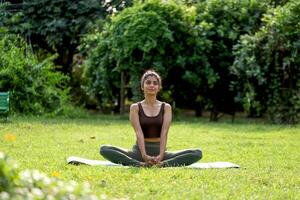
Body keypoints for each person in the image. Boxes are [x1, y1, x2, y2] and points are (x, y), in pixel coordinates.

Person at [100, 70, 202, 167]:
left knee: (197, 153)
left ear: (159, 87)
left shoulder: (166, 107)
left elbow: (164, 133)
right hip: (139, 153)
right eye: (148, 82)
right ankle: (139, 164)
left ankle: (162, 164)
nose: (151, 85)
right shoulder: (135, 107)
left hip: (161, 153)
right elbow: (139, 133)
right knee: (104, 149)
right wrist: (144, 155)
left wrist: (161, 156)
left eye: (155, 83)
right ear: (142, 86)